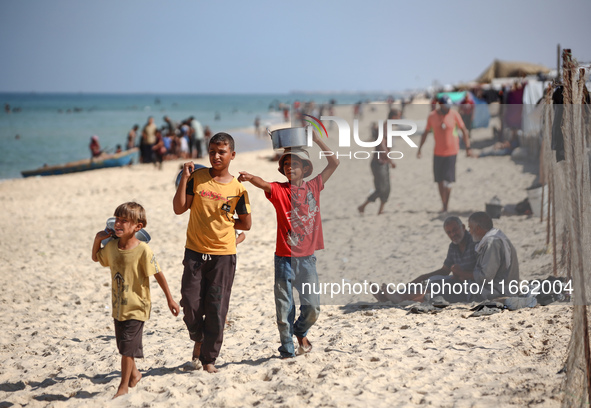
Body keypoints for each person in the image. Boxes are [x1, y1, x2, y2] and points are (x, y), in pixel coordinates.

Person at [238, 131, 339, 359]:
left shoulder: (314, 187)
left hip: (308, 260)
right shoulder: (279, 191)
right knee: (284, 311)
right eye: (285, 165)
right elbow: (263, 183)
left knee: (313, 308)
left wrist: (317, 140)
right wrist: (250, 177)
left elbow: (334, 162)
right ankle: (287, 350)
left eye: (294, 164)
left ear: (305, 169)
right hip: (284, 259)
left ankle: (300, 330)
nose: (288, 168)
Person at [173, 132, 251, 373]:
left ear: (232, 155)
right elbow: (179, 209)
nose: (216, 156)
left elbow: (245, 224)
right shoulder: (197, 178)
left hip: (224, 255)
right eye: (212, 152)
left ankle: (209, 360)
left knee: (217, 309)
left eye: (222, 152)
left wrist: (226, 226)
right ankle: (198, 337)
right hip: (195, 252)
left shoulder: (238, 189)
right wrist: (184, 179)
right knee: (190, 303)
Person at [91, 202, 179, 398]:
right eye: (117, 220)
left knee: (127, 349)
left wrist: (170, 300)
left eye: (124, 221)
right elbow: (97, 258)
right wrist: (98, 239)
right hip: (118, 306)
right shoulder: (112, 245)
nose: (118, 224)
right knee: (123, 346)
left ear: (138, 227)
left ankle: (123, 387)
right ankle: (134, 374)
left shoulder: (143, 250)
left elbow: (158, 274)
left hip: (137, 306)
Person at [373, 216, 477, 303]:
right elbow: (444, 270)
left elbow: (482, 272)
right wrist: (422, 278)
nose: (453, 234)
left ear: (463, 227)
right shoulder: (453, 246)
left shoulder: (474, 243)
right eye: (449, 232)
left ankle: (401, 298)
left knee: (435, 286)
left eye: (455, 230)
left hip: (469, 285)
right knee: (429, 280)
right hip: (457, 279)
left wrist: (461, 273)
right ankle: (395, 295)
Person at [417, 95, 472, 213]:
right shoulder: (432, 116)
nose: (448, 109)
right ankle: (443, 203)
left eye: (449, 106)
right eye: (446, 106)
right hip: (438, 153)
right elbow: (425, 133)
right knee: (439, 180)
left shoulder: (454, 114)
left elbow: (464, 130)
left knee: (448, 180)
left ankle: (446, 205)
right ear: (440, 105)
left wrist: (468, 147)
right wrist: (419, 149)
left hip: (452, 152)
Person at [357, 110, 399, 215]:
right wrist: (390, 161)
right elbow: (382, 145)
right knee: (381, 189)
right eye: (398, 117)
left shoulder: (386, 128)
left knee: (386, 188)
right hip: (379, 163)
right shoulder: (384, 128)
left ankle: (380, 210)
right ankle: (363, 206)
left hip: (382, 163)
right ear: (393, 117)